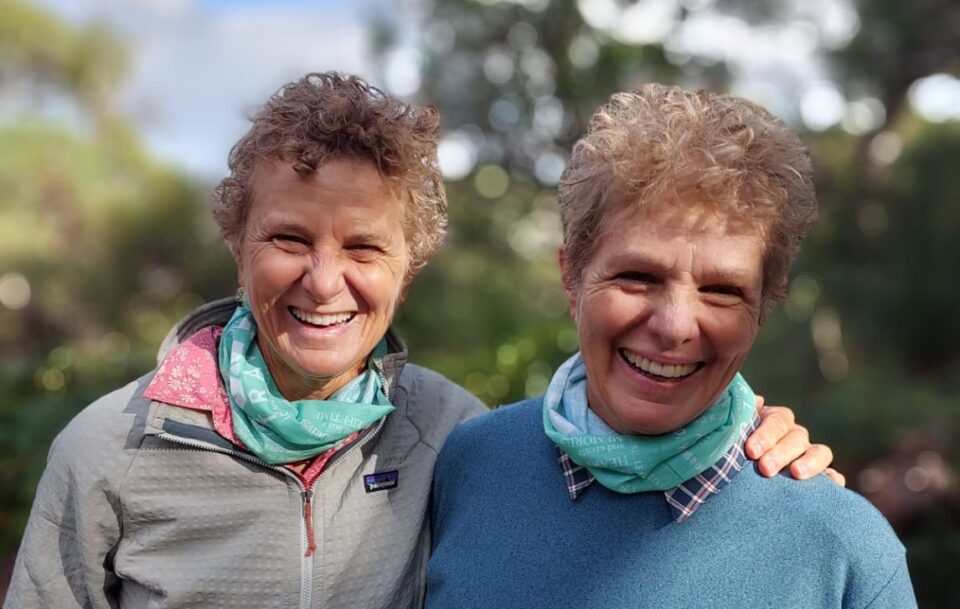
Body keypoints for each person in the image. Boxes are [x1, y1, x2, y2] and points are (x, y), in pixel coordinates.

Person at [7, 73, 837, 609]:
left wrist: (751, 434)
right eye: (289, 238)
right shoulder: (109, 450)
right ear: (238, 243)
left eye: (364, 248)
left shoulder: (455, 437)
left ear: (409, 269)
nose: (323, 281)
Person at [426, 85, 916, 608]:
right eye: (638, 277)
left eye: (722, 290)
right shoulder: (469, 464)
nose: (675, 326)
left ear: (763, 306)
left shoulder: (843, 547)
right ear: (571, 276)